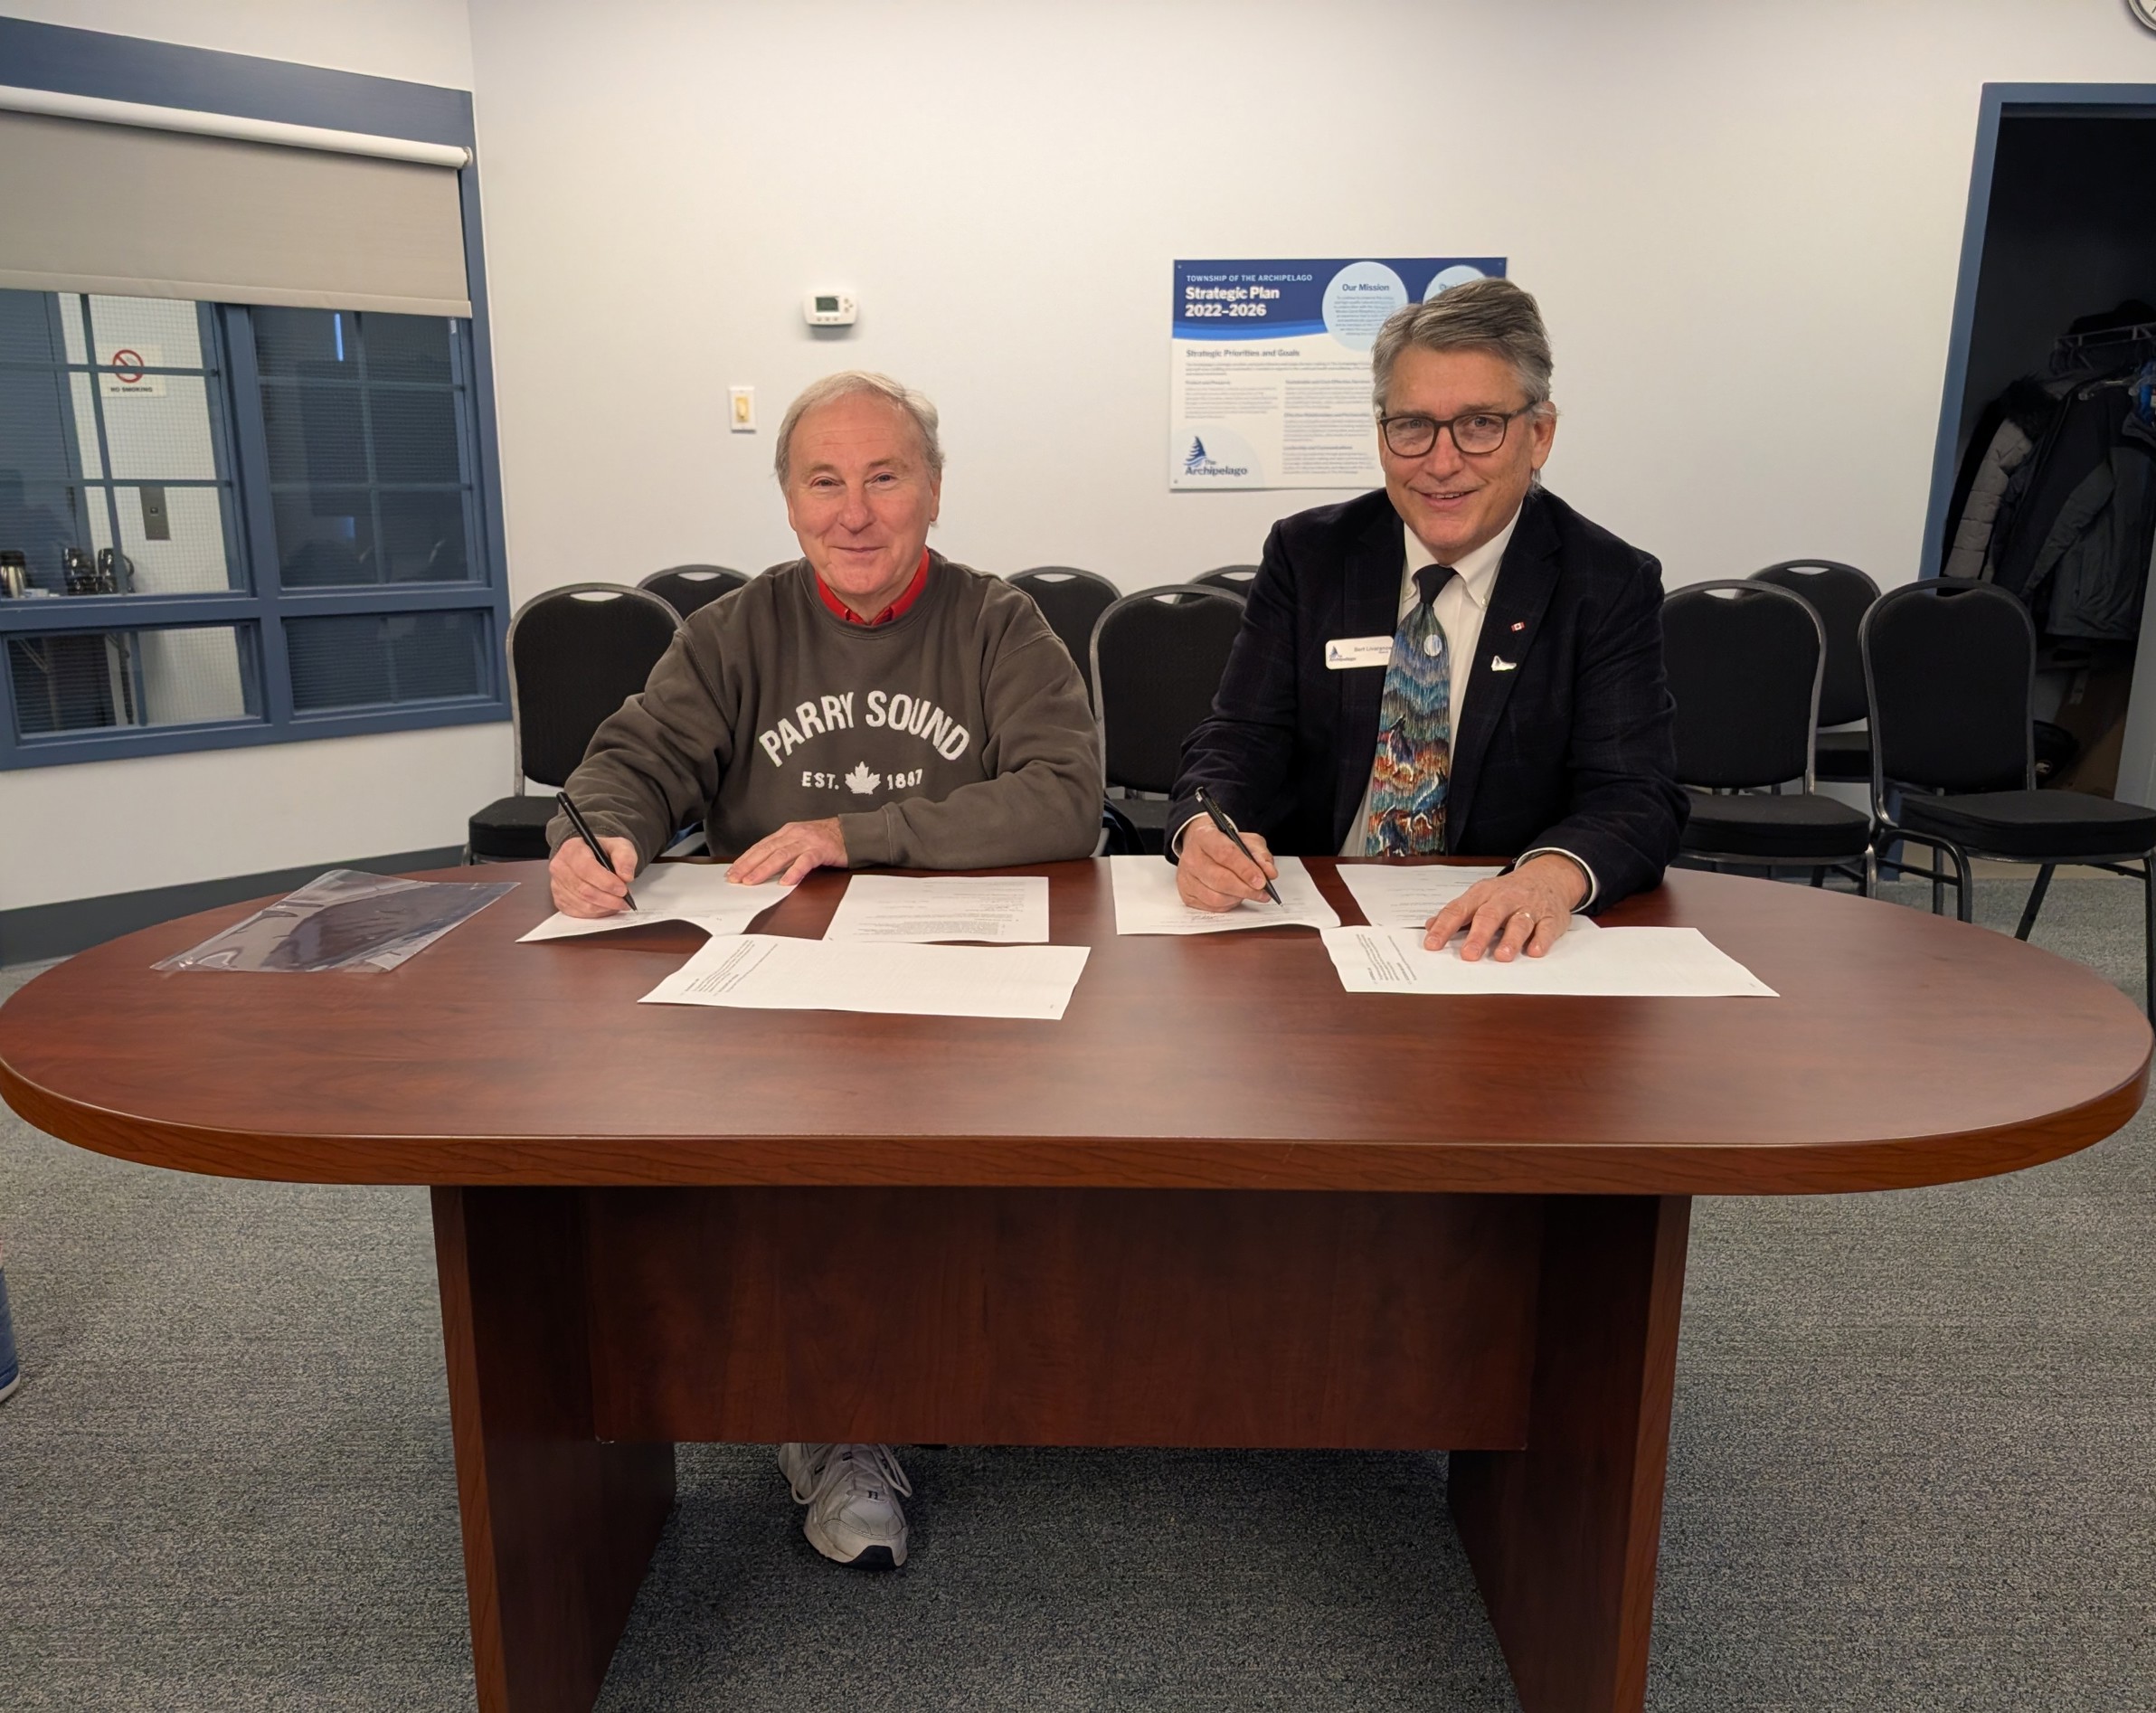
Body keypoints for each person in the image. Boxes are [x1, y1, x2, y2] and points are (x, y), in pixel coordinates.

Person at [547, 371, 1102, 1568]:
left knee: (979, 1169)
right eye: (824, 481)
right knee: (793, 1161)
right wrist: (596, 836)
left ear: (935, 492)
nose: (855, 512)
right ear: (791, 502)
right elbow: (631, 761)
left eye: (885, 477)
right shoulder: (734, 631)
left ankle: (953, 1367)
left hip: (966, 976)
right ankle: (836, 1418)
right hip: (783, 982)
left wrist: (856, 833)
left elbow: (1066, 801)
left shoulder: (1000, 623)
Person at [1170, 279, 1684, 951]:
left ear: (1540, 436)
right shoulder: (1310, 555)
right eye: (1412, 426)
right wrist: (1207, 830)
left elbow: (1635, 795)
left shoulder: (1606, 583)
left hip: (1496, 939)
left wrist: (1549, 879)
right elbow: (1239, 737)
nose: (1442, 464)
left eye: (1479, 426)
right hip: (1309, 927)